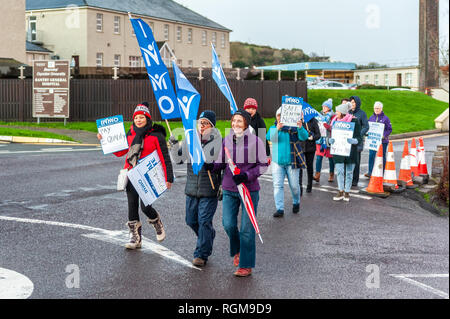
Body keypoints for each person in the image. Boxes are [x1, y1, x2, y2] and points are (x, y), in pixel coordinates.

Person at [98, 103, 174, 249]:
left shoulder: (156, 135)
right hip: (131, 174)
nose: (139, 120)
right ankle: (135, 238)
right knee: (132, 206)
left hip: (148, 176)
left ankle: (156, 221)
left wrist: (168, 178)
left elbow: (165, 157)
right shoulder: (130, 134)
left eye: (142, 117)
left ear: (147, 118)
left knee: (145, 207)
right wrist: (104, 140)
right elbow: (120, 152)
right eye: (136, 117)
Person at [205, 108, 268, 277]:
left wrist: (246, 175)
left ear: (246, 123)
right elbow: (220, 162)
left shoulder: (256, 141)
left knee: (247, 229)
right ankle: (238, 248)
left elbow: (263, 165)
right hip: (229, 188)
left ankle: (245, 265)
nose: (235, 124)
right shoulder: (226, 140)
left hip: (249, 190)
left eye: (239, 121)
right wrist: (211, 165)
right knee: (228, 224)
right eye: (234, 121)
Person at [169, 110, 222, 267]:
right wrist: (174, 146)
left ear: (212, 126)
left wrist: (222, 186)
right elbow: (179, 160)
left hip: (209, 188)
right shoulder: (190, 139)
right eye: (201, 122)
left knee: (204, 221)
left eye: (206, 123)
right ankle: (208, 236)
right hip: (192, 188)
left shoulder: (218, 141)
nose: (202, 126)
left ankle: (201, 254)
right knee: (191, 221)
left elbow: (224, 164)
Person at [267, 107, 308, 217]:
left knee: (295, 186)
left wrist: (300, 127)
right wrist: (277, 129)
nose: (280, 117)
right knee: (277, 186)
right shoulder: (273, 127)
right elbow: (269, 138)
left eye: (282, 115)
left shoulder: (294, 128)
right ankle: (279, 209)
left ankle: (296, 202)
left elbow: (304, 137)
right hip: (277, 163)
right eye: (278, 115)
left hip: (292, 162)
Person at [329, 102, 362, 202]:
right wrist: (331, 141)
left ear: (343, 112)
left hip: (350, 151)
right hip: (338, 151)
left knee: (349, 172)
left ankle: (347, 191)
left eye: (337, 111)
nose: (335, 113)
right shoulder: (335, 121)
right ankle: (340, 190)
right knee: (339, 172)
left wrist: (355, 141)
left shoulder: (354, 121)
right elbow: (332, 135)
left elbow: (359, 137)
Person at [365, 101, 392, 178]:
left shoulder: (386, 118)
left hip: (383, 141)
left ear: (381, 109)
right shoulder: (371, 117)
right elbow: (368, 128)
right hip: (373, 141)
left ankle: (382, 172)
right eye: (375, 108)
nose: (376, 110)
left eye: (378, 108)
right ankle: (370, 172)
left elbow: (389, 129)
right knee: (371, 155)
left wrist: (383, 136)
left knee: (382, 156)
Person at [348, 96, 369, 187]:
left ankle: (355, 180)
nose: (352, 104)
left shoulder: (362, 114)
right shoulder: (348, 113)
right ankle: (348, 178)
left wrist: (359, 134)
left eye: (354, 102)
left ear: (357, 103)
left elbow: (366, 126)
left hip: (357, 141)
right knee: (348, 160)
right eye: (351, 102)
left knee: (356, 161)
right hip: (348, 140)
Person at [314, 98, 336, 183]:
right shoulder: (319, 115)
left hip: (329, 140)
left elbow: (335, 127)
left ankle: (331, 174)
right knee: (319, 158)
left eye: (325, 106)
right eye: (323, 106)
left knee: (331, 159)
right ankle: (317, 175)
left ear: (329, 108)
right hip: (320, 139)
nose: (323, 108)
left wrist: (329, 127)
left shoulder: (333, 116)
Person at [299, 112, 321, 193]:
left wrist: (313, 137)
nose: (302, 114)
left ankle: (309, 186)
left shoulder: (313, 121)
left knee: (309, 167)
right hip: (300, 146)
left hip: (310, 147)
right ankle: (299, 186)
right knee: (300, 167)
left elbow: (318, 134)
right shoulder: (298, 121)